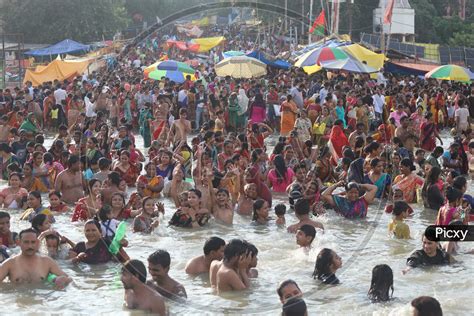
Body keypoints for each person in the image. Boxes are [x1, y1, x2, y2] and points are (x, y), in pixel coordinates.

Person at [0, 228, 72, 289]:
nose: (30, 246)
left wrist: (63, 280)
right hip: (18, 303)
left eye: (33, 242)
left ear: (37, 243)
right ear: (19, 242)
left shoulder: (47, 262)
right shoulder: (10, 263)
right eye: (26, 242)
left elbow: (69, 279)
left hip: (41, 300)